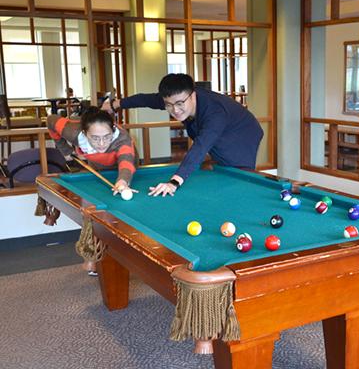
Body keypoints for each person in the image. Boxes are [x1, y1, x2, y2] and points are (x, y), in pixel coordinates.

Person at [101, 73, 264, 197]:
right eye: (169, 105)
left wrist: (174, 182)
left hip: (241, 135)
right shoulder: (176, 98)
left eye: (180, 104)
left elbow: (200, 147)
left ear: (192, 95)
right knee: (219, 165)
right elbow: (147, 99)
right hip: (218, 132)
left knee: (237, 176)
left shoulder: (215, 113)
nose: (175, 110)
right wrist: (115, 105)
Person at [47, 107, 138, 274]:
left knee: (124, 211)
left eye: (106, 137)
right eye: (95, 139)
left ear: (113, 130)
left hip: (125, 170)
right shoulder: (72, 132)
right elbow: (51, 121)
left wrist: (123, 181)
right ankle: (96, 255)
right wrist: (65, 150)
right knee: (97, 211)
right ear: (84, 133)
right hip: (98, 170)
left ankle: (128, 255)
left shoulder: (122, 139)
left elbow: (126, 162)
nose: (102, 143)